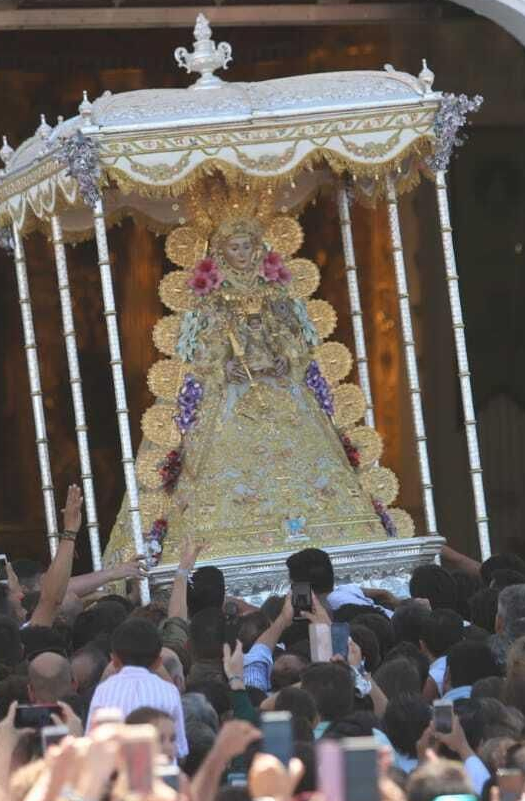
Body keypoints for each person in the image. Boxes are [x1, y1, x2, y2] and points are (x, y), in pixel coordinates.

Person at [98, 182, 412, 566]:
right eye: (235, 247)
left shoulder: (276, 293)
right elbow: (201, 347)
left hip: (284, 390)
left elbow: (297, 339)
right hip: (231, 396)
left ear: (259, 247)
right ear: (219, 252)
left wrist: (288, 360)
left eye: (248, 246)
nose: (243, 254)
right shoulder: (210, 297)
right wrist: (224, 365)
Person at [86, 617, 189, 758]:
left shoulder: (103, 690)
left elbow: (92, 743)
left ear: (114, 661)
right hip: (162, 775)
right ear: (159, 662)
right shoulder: (169, 690)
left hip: (117, 775)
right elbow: (181, 749)